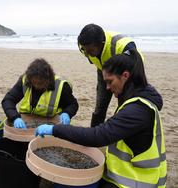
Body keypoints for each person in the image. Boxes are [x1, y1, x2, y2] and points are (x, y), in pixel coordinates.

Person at [35, 49, 167, 188]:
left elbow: (98, 136)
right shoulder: (137, 101)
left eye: (110, 81)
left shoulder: (137, 110)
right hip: (124, 175)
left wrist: (55, 129)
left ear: (125, 76)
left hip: (134, 182)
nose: (108, 87)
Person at [77, 23, 140, 127]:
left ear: (101, 44)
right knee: (100, 107)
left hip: (128, 74)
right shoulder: (83, 44)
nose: (87, 54)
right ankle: (94, 136)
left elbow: (134, 69)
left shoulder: (123, 46)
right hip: (103, 71)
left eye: (91, 51)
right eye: (85, 51)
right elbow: (94, 59)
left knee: (124, 106)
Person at [1, 58, 79, 129]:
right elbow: (8, 100)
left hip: (52, 122)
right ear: (30, 79)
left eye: (41, 83)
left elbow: (73, 104)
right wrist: (15, 118)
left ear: (49, 79)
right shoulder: (25, 81)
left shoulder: (61, 86)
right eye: (34, 82)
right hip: (28, 118)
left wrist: (67, 113)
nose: (37, 86)